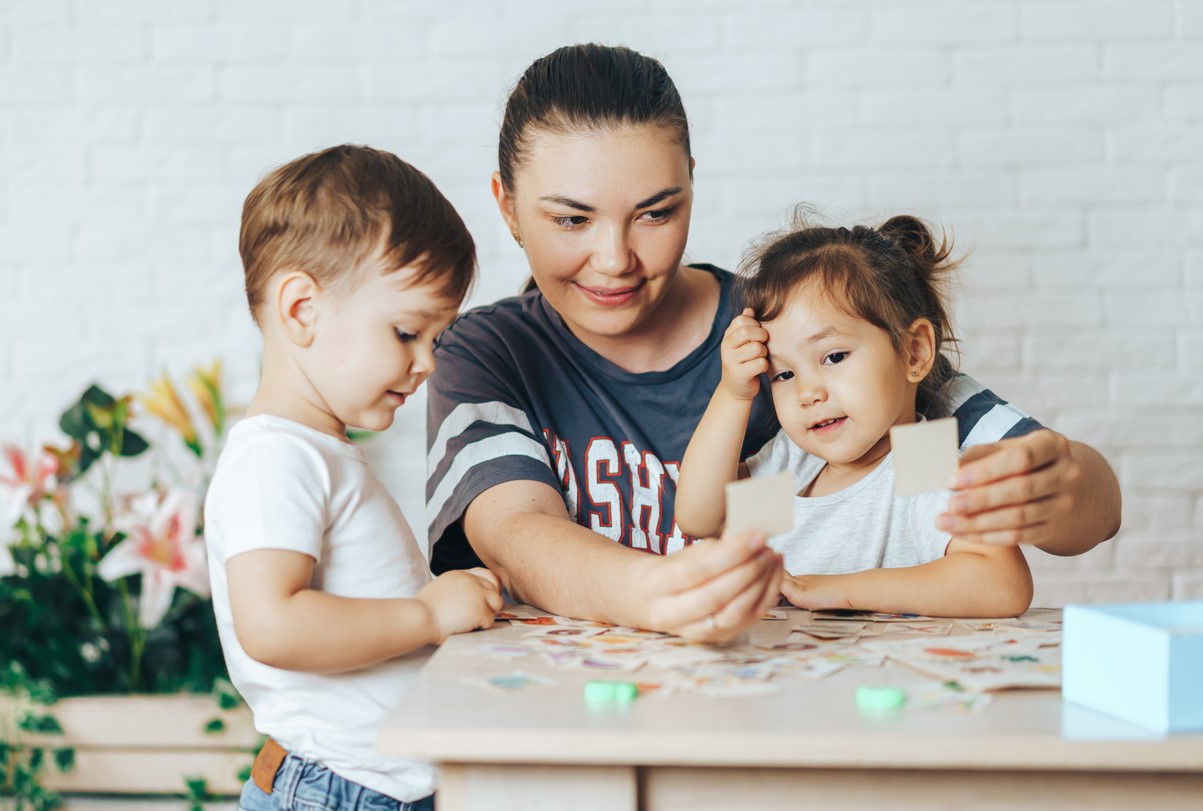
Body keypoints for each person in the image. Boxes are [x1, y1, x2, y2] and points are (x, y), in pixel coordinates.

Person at [425, 44, 1120, 643]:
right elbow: (517, 535)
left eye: (655, 213)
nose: (614, 258)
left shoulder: (790, 325)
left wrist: (1059, 487)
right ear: (508, 206)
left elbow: (1064, 507)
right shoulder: (490, 353)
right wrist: (668, 589)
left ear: (692, 186)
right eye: (571, 219)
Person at [204, 145, 503, 811]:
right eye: (405, 331)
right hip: (333, 790)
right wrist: (426, 613)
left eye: (437, 338)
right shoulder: (273, 459)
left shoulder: (319, 452)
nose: (426, 361)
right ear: (302, 309)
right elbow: (274, 625)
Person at [676, 214, 1034, 618]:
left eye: (834, 357)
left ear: (914, 352)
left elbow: (1003, 584)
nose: (808, 392)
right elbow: (700, 517)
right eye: (783, 374)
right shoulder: (795, 468)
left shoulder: (919, 458)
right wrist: (734, 392)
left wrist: (839, 590)